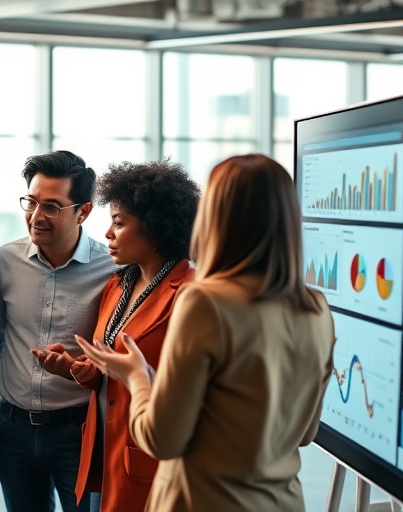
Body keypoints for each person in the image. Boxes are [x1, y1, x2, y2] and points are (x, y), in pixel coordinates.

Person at [77, 154, 336, 512]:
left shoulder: (203, 302)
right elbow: (305, 433)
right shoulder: (317, 309)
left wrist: (137, 376)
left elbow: (161, 439)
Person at [0, 150, 117, 512]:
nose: (36, 216)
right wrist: (15, 380)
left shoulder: (113, 270)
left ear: (83, 211)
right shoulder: (3, 261)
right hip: (12, 430)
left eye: (52, 207)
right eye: (31, 202)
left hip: (77, 431)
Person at [63, 160, 199, 512]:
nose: (108, 233)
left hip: (151, 457)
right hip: (104, 452)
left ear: (154, 228)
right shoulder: (117, 284)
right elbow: (111, 369)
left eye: (119, 223)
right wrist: (81, 370)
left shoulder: (190, 293)